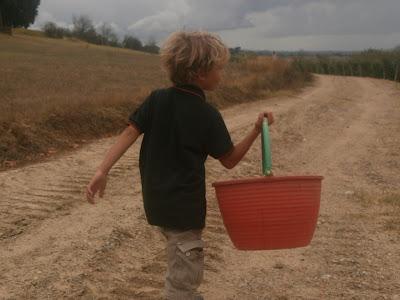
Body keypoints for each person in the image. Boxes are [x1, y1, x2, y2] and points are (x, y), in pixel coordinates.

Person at [86, 30, 274, 300]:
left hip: (157, 204)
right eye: (219, 69)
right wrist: (256, 129)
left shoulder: (156, 99)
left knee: (178, 263)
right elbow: (230, 160)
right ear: (200, 72)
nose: (222, 75)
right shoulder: (207, 114)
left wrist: (102, 170)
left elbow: (128, 133)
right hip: (185, 211)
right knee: (182, 284)